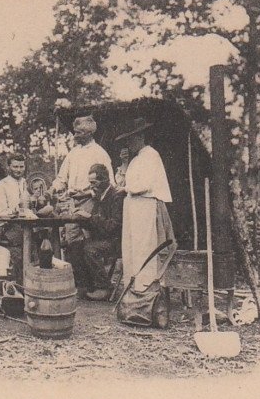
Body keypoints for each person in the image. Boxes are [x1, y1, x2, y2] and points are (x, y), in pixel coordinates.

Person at [117, 117, 177, 292]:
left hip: (145, 205)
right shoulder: (136, 159)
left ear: (141, 137)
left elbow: (145, 185)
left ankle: (145, 287)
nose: (129, 143)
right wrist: (124, 165)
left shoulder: (151, 155)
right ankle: (132, 286)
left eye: (131, 138)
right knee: (131, 246)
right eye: (127, 139)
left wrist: (126, 189)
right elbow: (123, 181)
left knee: (144, 246)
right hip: (133, 206)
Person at [66, 164, 124, 300]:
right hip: (103, 239)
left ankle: (104, 287)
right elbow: (95, 224)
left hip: (116, 241)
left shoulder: (116, 197)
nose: (91, 186)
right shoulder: (100, 196)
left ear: (104, 180)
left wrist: (90, 217)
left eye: (94, 183)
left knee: (90, 249)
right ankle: (86, 286)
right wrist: (81, 218)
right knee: (75, 246)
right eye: (90, 183)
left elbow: (114, 226)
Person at [50, 114, 114, 195]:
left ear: (89, 133)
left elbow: (109, 184)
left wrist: (89, 193)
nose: (75, 136)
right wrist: (51, 190)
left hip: (91, 201)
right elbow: (62, 179)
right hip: (71, 200)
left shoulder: (100, 153)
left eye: (78, 133)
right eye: (75, 132)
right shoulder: (73, 153)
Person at [0, 152, 29, 279]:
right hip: (9, 227)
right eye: (15, 167)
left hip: (26, 225)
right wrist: (15, 211)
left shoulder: (25, 183)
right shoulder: (1, 186)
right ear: (8, 167)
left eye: (21, 167)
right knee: (22, 249)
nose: (19, 170)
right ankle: (19, 281)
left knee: (44, 238)